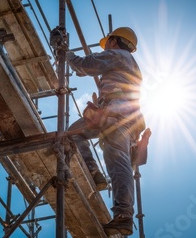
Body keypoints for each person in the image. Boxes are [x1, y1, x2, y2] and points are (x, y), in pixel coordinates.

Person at [66, 27, 145, 236]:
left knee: (116, 157)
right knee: (74, 133)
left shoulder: (120, 55)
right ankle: (93, 172)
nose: (106, 46)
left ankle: (124, 215)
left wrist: (66, 53)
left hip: (119, 113)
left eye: (108, 42)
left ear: (114, 41)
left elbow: (86, 65)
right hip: (114, 111)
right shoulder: (128, 63)